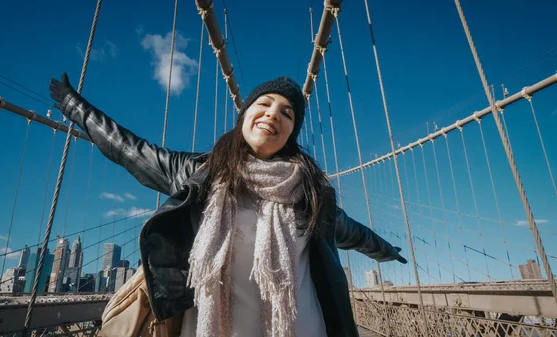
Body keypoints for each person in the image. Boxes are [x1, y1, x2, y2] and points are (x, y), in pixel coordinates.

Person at [49, 73, 407, 337]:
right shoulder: (201, 173)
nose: (273, 114)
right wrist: (74, 107)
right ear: (245, 117)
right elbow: (131, 151)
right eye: (264, 104)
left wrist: (387, 250)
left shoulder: (311, 193)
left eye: (287, 113)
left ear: (291, 133)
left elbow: (352, 232)